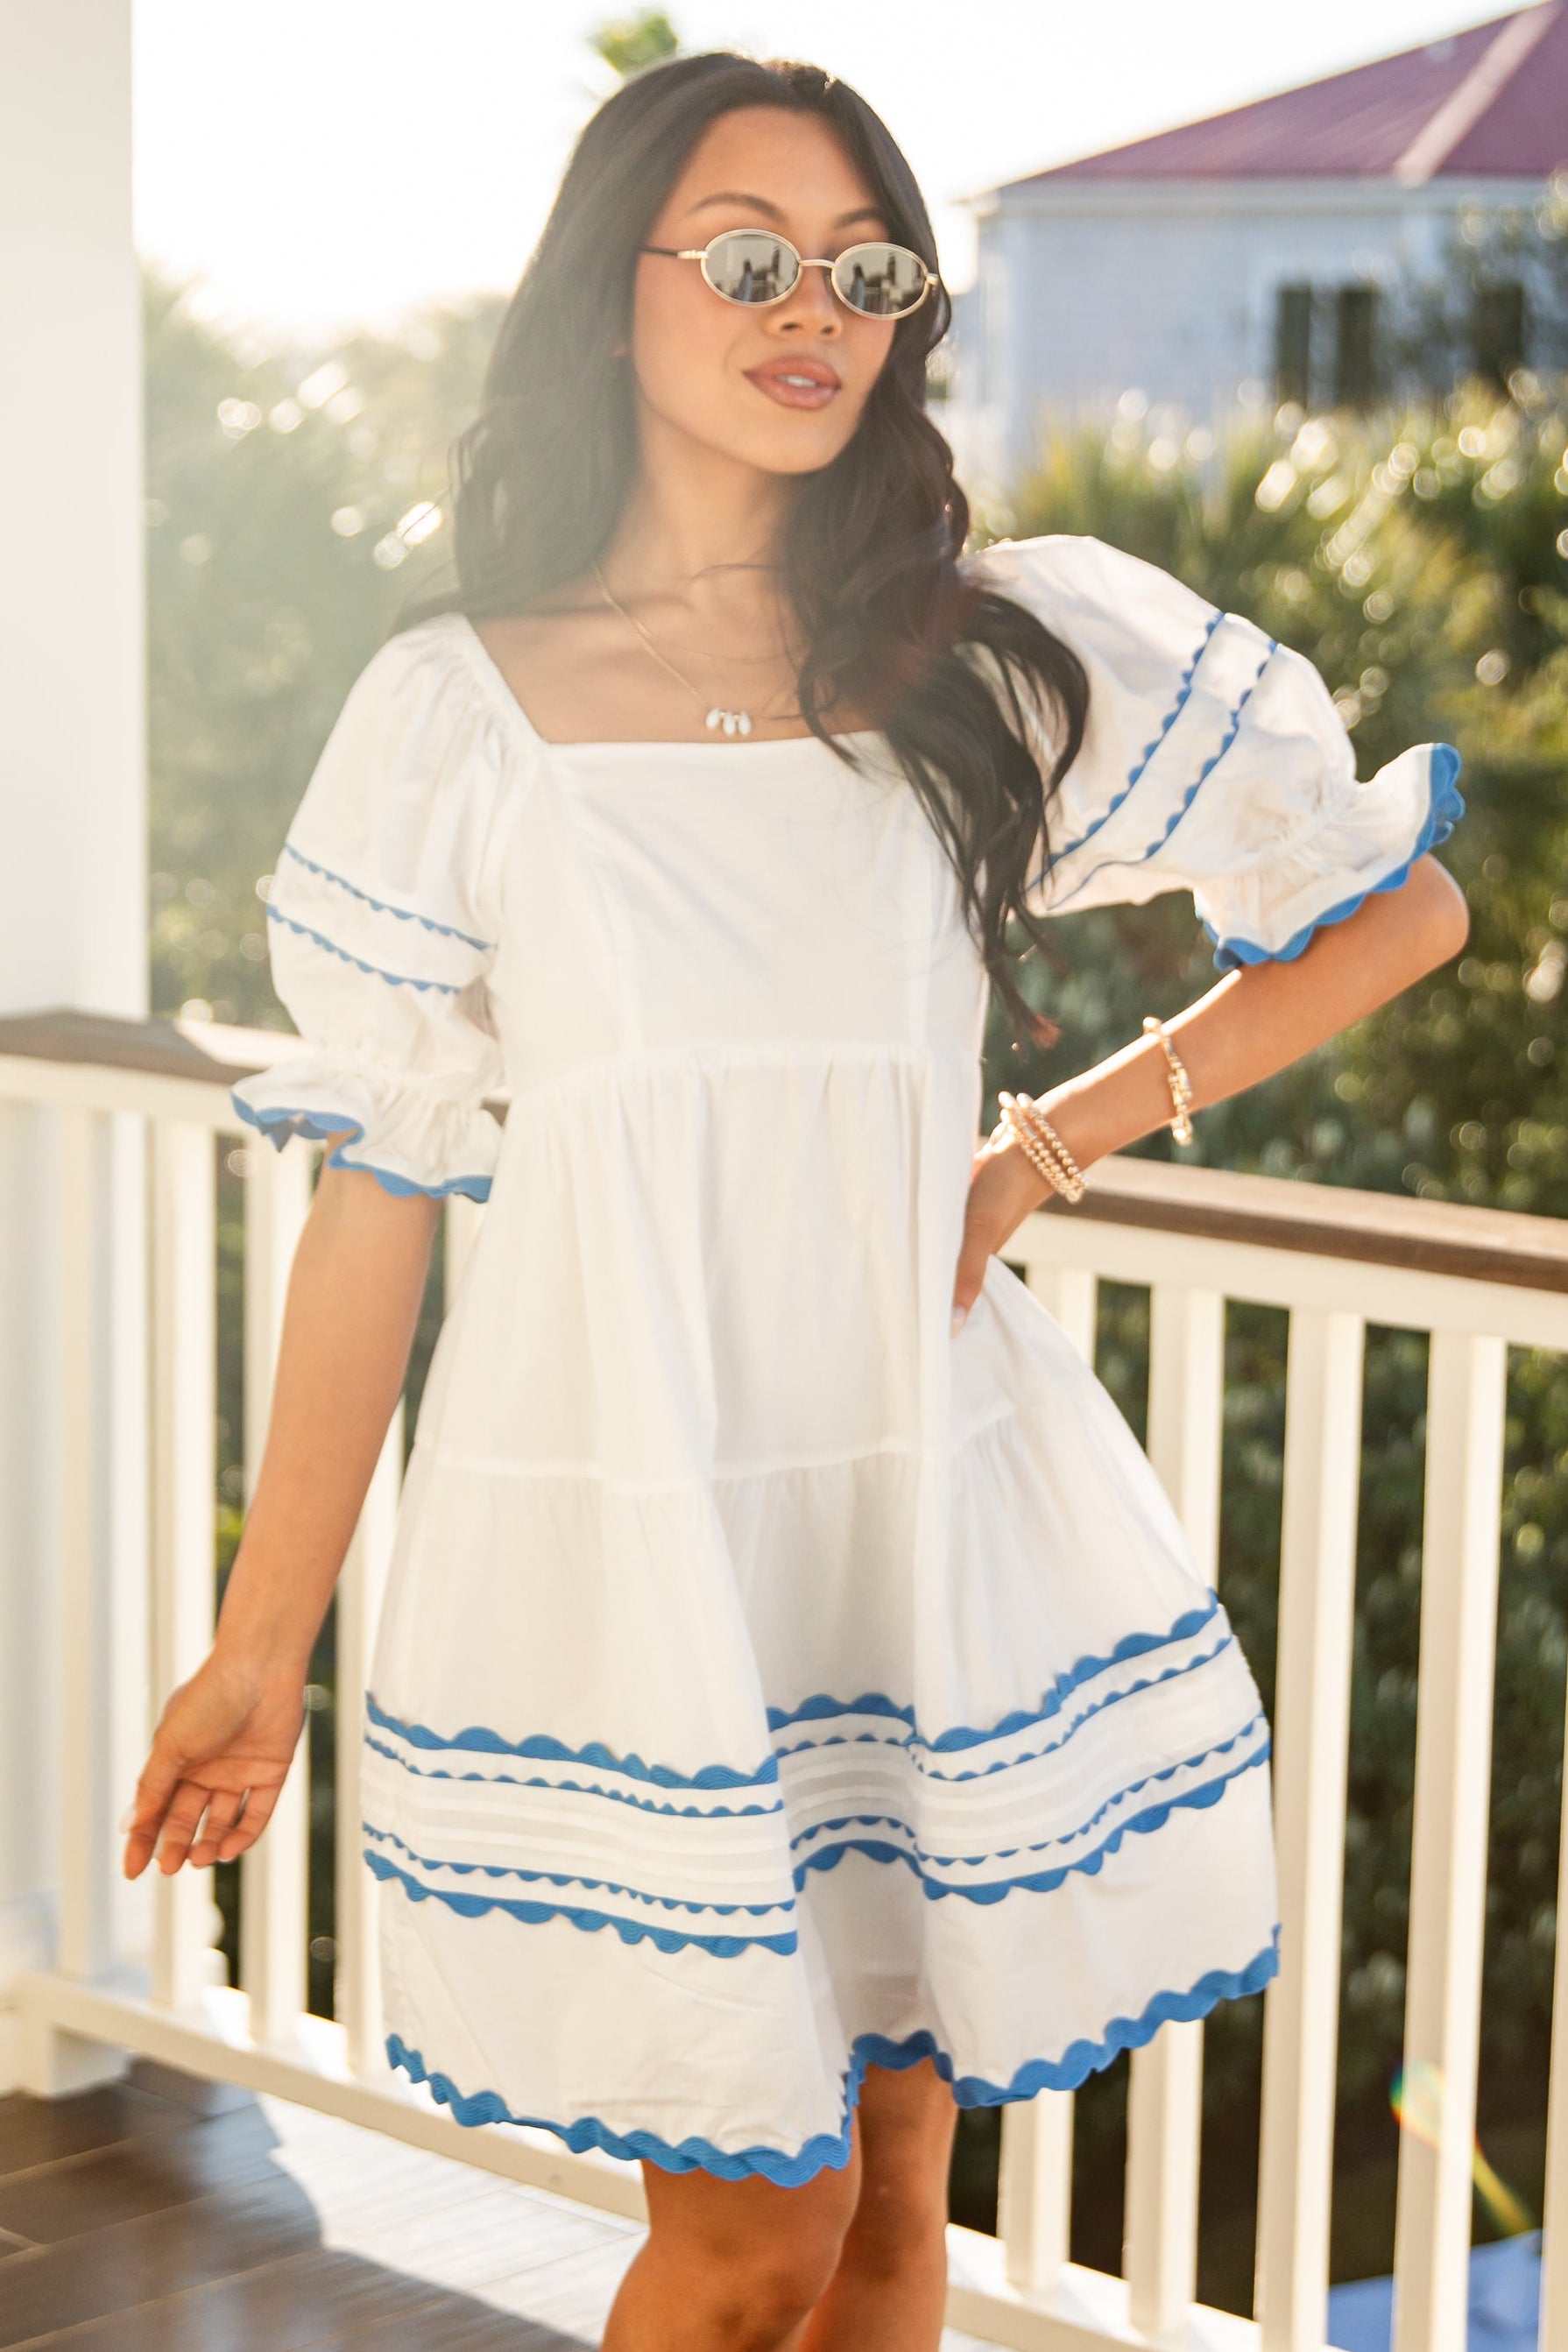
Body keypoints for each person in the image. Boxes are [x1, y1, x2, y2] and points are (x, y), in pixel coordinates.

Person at [122, 51, 1468, 2352]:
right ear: (610, 298)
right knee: (747, 2233)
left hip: (920, 1496)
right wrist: (266, 1643)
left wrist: (1051, 1137)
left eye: (867, 271)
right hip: (636, 1518)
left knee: (895, 2190)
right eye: (746, 257)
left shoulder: (993, 655)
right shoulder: (460, 713)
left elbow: (1393, 908)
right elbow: (381, 1196)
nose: (810, 308)